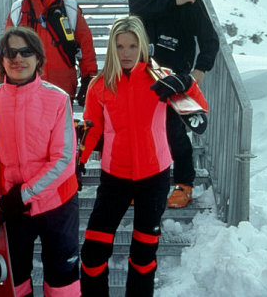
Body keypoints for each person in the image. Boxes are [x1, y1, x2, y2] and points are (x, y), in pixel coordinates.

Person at [78, 16, 195, 296]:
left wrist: (187, 83)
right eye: (119, 46)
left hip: (153, 178)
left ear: (142, 45)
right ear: (112, 49)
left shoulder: (161, 78)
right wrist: (76, 164)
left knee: (143, 258)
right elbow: (91, 130)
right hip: (114, 178)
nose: (126, 53)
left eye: (132, 46)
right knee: (92, 255)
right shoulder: (100, 85)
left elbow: (197, 107)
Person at [0, 26, 80, 296]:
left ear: (38, 59)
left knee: (62, 282)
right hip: (11, 209)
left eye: (26, 52)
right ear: (1, 60)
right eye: (10, 52)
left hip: (57, 206)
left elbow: (63, 160)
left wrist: (24, 194)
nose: (18, 59)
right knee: (16, 282)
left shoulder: (57, 99)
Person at [129, 0, 219, 208]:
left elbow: (209, 38)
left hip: (175, 77)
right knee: (142, 130)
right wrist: (172, 1)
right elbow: (137, 7)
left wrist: (201, 68)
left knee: (174, 131)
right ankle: (143, 183)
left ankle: (184, 185)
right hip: (142, 72)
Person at [5, 0, 98, 106]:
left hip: (62, 86)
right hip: (26, 84)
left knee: (62, 130)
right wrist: (1, 77)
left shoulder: (69, 8)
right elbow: (6, 47)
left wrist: (89, 79)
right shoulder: (19, 9)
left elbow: (85, 44)